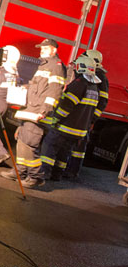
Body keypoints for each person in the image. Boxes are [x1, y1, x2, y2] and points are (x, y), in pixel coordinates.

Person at [0, 39, 66, 186]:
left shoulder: (56, 67)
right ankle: (20, 172)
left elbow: (55, 91)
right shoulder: (44, 65)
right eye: (41, 48)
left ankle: (36, 177)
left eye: (45, 48)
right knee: (22, 140)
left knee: (30, 144)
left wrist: (44, 110)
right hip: (30, 110)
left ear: (54, 50)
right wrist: (22, 86)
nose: (41, 50)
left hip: (38, 113)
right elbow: (36, 86)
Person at [37, 55, 100, 188]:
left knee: (49, 146)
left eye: (77, 66)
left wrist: (55, 119)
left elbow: (67, 106)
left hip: (65, 127)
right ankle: (57, 174)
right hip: (79, 131)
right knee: (64, 152)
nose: (75, 69)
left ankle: (43, 173)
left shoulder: (79, 84)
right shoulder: (94, 87)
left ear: (81, 68)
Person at [61, 49, 108, 180]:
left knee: (79, 146)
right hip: (83, 115)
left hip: (86, 117)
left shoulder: (100, 78)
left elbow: (102, 102)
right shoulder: (92, 74)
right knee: (74, 143)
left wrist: (91, 119)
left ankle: (73, 171)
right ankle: (67, 168)